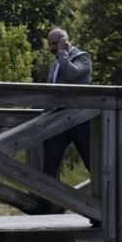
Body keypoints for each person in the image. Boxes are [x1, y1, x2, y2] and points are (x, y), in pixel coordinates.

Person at [40, 28, 94, 182]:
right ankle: (46, 204)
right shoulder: (55, 64)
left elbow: (72, 73)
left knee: (92, 163)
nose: (51, 48)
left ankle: (106, 203)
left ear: (65, 41)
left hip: (80, 120)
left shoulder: (83, 57)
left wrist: (63, 52)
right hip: (57, 120)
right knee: (50, 166)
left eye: (55, 44)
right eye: (50, 44)